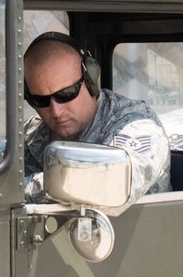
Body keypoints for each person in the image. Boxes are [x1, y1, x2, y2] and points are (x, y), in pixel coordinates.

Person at [22, 32, 171, 199]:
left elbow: (114, 183)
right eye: (40, 100)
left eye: (66, 94)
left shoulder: (135, 124)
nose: (56, 111)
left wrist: (19, 191)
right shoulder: (31, 133)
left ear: (90, 80)